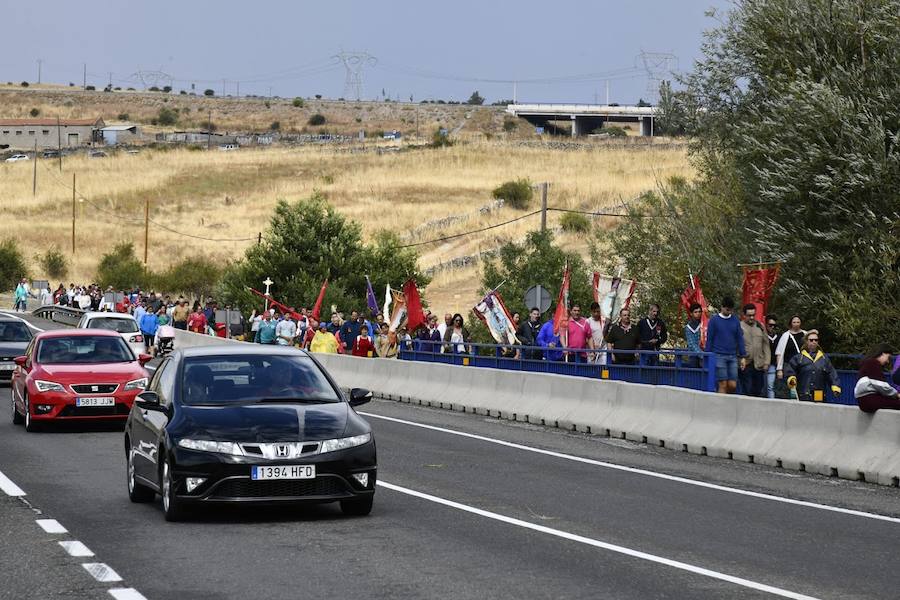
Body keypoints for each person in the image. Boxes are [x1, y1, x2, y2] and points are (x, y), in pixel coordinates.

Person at [783, 330, 840, 402]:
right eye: (811, 340)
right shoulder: (799, 358)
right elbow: (790, 370)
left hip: (819, 392)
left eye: (816, 340)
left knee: (818, 409)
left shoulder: (824, 358)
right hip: (804, 392)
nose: (814, 342)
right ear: (806, 341)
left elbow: (831, 373)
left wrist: (835, 387)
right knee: (804, 411)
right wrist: (791, 379)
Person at [705, 297, 746, 394]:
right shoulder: (714, 320)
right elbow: (709, 338)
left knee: (733, 384)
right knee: (722, 383)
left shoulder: (735, 320)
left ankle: (727, 400)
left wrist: (743, 356)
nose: (729, 311)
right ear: (722, 307)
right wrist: (707, 355)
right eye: (727, 309)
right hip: (718, 355)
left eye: (731, 309)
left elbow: (739, 338)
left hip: (732, 355)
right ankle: (720, 405)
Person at [854, 343, 900, 412]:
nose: (887, 361)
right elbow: (881, 385)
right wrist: (896, 394)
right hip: (870, 399)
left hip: (863, 400)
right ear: (883, 353)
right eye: (888, 357)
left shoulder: (867, 363)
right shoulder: (873, 363)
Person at [739, 304, 770, 397]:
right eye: (749, 315)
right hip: (746, 363)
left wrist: (767, 362)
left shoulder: (760, 326)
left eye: (753, 315)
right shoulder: (739, 326)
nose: (752, 317)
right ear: (744, 315)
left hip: (759, 364)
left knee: (758, 389)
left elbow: (766, 345)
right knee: (747, 390)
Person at [775, 316, 806, 394]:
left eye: (798, 322)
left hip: (803, 365)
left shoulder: (805, 334)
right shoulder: (785, 336)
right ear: (791, 323)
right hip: (789, 366)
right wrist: (779, 369)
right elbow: (779, 353)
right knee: (790, 387)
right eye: (794, 322)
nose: (796, 324)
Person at [764, 315, 780, 398]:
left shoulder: (778, 337)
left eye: (774, 325)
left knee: (770, 386)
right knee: (762, 387)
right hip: (761, 365)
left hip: (772, 365)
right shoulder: (761, 335)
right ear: (766, 324)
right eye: (770, 325)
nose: (772, 327)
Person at [684, 303, 704, 368]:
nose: (698, 314)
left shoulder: (703, 324)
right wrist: (702, 355)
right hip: (694, 355)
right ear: (691, 313)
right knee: (694, 375)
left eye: (699, 312)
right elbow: (692, 344)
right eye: (695, 312)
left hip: (704, 352)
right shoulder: (688, 327)